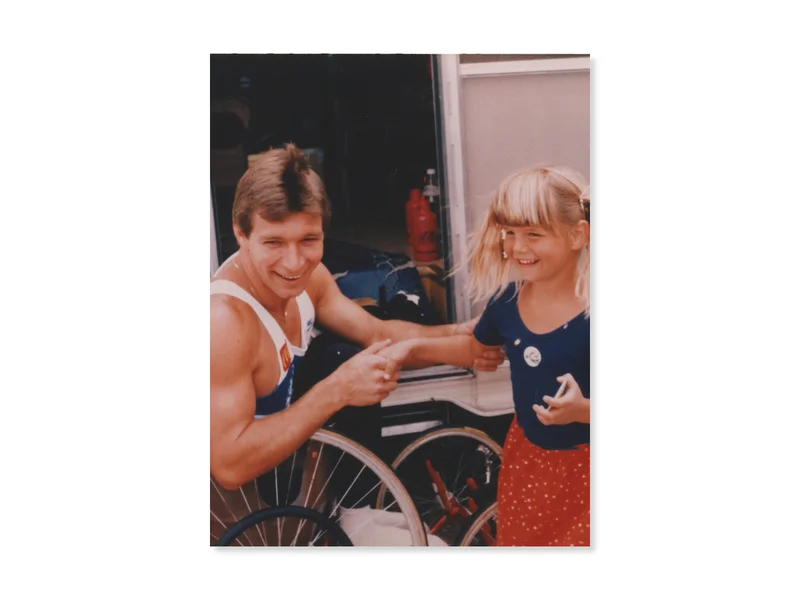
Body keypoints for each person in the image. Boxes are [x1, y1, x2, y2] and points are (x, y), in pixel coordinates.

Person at [210, 143, 505, 491]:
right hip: (244, 520)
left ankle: (356, 507)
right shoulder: (224, 321)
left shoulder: (310, 277)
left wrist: (457, 337)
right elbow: (229, 467)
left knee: (342, 354)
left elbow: (376, 333)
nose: (294, 262)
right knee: (339, 364)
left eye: (309, 239)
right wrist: (338, 390)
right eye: (273, 242)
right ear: (241, 234)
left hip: (297, 477)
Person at [379, 164, 590, 546]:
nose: (517, 247)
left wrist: (584, 411)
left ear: (578, 235)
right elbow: (475, 348)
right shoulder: (507, 304)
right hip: (528, 462)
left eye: (533, 234)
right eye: (509, 232)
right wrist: (410, 348)